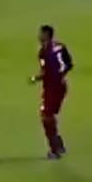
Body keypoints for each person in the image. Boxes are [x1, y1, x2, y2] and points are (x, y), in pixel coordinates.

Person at [31, 25, 73, 159]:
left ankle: (55, 149)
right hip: (61, 86)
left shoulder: (44, 52)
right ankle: (58, 143)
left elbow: (45, 71)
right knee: (49, 115)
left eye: (41, 34)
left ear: (46, 35)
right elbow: (69, 64)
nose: (39, 36)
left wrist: (36, 78)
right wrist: (60, 76)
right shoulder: (60, 46)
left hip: (52, 89)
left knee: (46, 116)